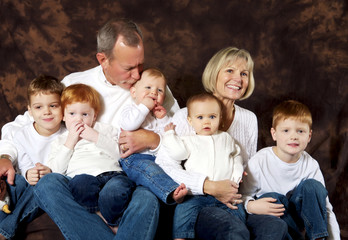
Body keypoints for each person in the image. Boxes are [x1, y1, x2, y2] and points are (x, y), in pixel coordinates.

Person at [0, 18, 180, 239]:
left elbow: (183, 133)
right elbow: (24, 123)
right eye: (129, 68)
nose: (137, 75)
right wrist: (5, 155)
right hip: (80, 174)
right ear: (103, 60)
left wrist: (151, 139)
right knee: (48, 183)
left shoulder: (154, 86)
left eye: (140, 64)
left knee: (147, 197)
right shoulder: (75, 84)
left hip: (128, 175)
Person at [156, 46, 287, 239]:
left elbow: (245, 170)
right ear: (214, 74)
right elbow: (164, 164)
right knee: (234, 232)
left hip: (234, 201)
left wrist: (249, 203)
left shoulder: (249, 119)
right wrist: (207, 186)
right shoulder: (187, 116)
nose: (238, 78)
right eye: (230, 71)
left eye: (244, 73)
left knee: (275, 227)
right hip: (199, 202)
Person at [240, 100, 341, 240]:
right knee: (274, 197)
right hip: (269, 217)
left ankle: (318, 238)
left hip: (299, 219)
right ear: (274, 134)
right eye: (286, 130)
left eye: (300, 131)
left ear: (309, 136)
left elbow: (325, 208)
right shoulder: (259, 161)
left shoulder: (310, 165)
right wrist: (251, 205)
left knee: (313, 187)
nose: (293, 136)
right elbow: (242, 195)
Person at [47, 84, 135, 232]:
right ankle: (101, 216)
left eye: (85, 114)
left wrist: (95, 136)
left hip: (112, 174)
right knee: (80, 185)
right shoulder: (60, 140)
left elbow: (120, 153)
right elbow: (56, 170)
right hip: (82, 177)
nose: (78, 120)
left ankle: (113, 220)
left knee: (115, 191)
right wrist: (70, 141)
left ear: (94, 116)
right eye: (72, 114)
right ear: (63, 116)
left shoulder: (104, 129)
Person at [162, 93, 245, 239]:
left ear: (220, 118)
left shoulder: (226, 138)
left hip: (226, 193)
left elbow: (236, 155)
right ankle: (180, 237)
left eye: (212, 117)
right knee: (184, 209)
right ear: (190, 120)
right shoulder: (189, 140)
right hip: (198, 194)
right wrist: (169, 135)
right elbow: (178, 153)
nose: (206, 122)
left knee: (238, 212)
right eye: (200, 117)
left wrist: (237, 175)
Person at [0, 75, 65, 239]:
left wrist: (51, 171)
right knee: (16, 182)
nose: (47, 112)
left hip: (52, 184)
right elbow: (23, 162)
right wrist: (29, 172)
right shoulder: (21, 134)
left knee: (44, 188)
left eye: (53, 105)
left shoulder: (68, 134)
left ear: (63, 106)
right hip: (28, 180)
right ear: (29, 110)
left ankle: (4, 231)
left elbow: (69, 163)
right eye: (38, 107)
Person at [118, 68, 187, 204]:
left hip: (156, 159)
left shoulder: (156, 115)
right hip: (133, 159)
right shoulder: (131, 110)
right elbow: (129, 125)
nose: (154, 92)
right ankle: (171, 192)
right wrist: (144, 106)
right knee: (150, 170)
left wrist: (163, 119)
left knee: (164, 171)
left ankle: (183, 187)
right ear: (133, 92)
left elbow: (168, 137)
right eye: (148, 87)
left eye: (160, 90)